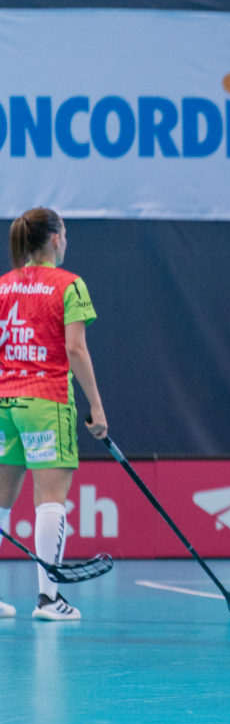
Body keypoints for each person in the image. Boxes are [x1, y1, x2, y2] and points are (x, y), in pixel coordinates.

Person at [0, 208, 108, 621]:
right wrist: (96, 406)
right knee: (50, 501)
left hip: (4, 402)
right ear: (55, 239)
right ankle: (48, 600)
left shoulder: (3, 285)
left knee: (1, 504)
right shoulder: (69, 285)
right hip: (46, 403)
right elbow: (75, 349)